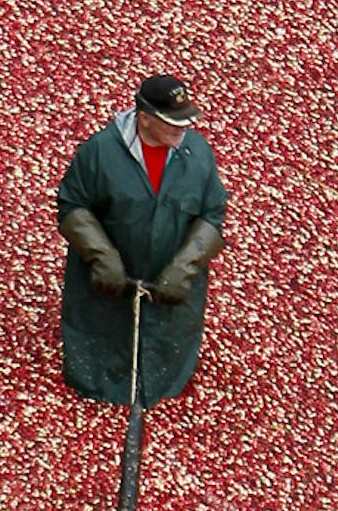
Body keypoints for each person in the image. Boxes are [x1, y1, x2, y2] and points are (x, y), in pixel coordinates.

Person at [55, 74, 228, 406]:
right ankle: (106, 386)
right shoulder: (101, 152)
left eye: (187, 119)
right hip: (107, 293)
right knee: (104, 349)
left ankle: (157, 384)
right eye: (171, 122)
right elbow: (72, 205)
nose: (182, 128)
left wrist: (185, 266)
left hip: (170, 299)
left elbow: (213, 213)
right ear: (144, 118)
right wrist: (103, 257)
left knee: (165, 354)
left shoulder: (197, 154)